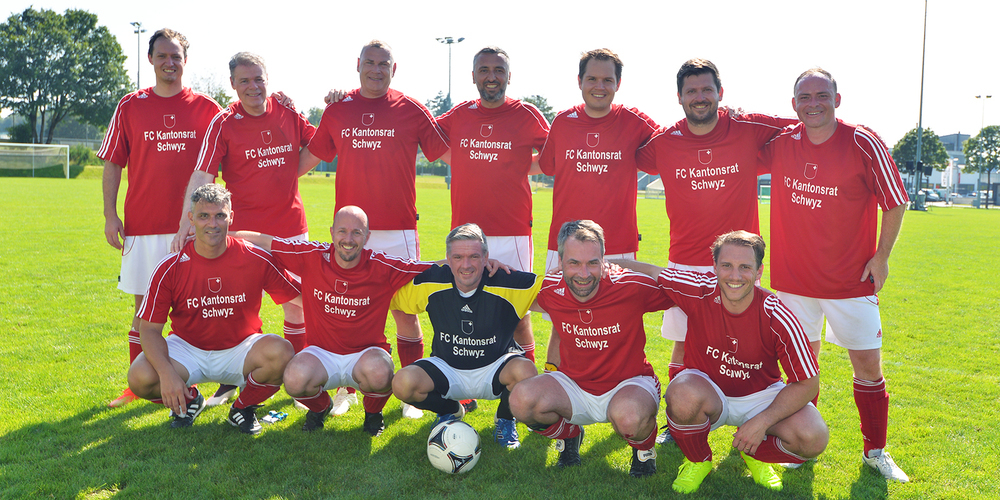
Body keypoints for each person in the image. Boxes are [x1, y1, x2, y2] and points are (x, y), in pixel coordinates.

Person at [760, 67, 909, 483]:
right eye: (804, 97)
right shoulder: (782, 143)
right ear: (794, 106)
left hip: (850, 281)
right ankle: (800, 445)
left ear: (836, 100)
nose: (813, 104)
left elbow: (896, 202)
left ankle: (875, 452)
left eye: (821, 96)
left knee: (867, 367)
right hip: (793, 282)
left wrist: (881, 258)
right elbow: (741, 137)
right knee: (803, 371)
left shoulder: (862, 141)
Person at [635, 58, 793, 443]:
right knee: (683, 342)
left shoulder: (746, 126)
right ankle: (680, 421)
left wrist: (743, 113)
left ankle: (751, 414)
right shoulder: (665, 141)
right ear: (679, 97)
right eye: (692, 91)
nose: (700, 97)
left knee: (746, 342)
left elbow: (796, 125)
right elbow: (634, 156)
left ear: (721, 93)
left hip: (737, 264)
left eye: (707, 90)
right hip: (685, 261)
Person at [302, 40, 450, 419]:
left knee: (405, 312)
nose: (377, 69)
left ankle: (410, 393)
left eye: (384, 64)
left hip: (398, 228)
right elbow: (309, 156)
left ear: (394, 69)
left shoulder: (412, 109)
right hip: (351, 232)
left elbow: (450, 152)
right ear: (357, 65)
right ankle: (346, 391)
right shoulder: (337, 109)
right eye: (370, 63)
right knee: (349, 312)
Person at [617, 231, 827, 493]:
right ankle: (698, 461)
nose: (734, 276)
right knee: (681, 393)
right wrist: (597, 265)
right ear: (714, 267)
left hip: (760, 396)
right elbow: (650, 271)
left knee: (813, 436)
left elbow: (808, 382)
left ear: (759, 271)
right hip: (708, 391)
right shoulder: (698, 289)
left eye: (745, 267)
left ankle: (755, 453)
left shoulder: (777, 315)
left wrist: (762, 422)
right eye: (726, 265)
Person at [171, 51, 319, 408]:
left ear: (268, 79)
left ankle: (296, 383)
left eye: (259, 79)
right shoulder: (223, 123)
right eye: (245, 81)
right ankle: (229, 383)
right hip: (240, 236)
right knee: (234, 311)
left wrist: (289, 173)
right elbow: (202, 175)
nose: (253, 87)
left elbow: (321, 146)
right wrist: (184, 223)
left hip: (289, 229)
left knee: (297, 308)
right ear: (233, 85)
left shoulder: (289, 112)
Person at [231, 206, 434, 436]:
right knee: (294, 379)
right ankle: (320, 408)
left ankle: (373, 414)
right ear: (331, 232)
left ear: (367, 237)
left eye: (357, 233)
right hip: (321, 353)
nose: (348, 239)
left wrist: (472, 263)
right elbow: (267, 242)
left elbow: (430, 267)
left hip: (365, 353)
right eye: (342, 231)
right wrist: (221, 235)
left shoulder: (381, 265)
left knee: (380, 372)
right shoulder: (311, 256)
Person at [100, 28, 223, 408]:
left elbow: (238, 145)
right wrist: (110, 215)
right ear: (150, 59)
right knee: (143, 309)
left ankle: (221, 379)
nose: (169, 62)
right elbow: (113, 164)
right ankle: (139, 385)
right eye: (162, 56)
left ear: (185, 61)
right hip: (143, 224)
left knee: (203, 307)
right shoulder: (130, 105)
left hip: (196, 227)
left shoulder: (208, 108)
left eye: (176, 56)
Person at [127, 184, 301, 435]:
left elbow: (301, 298)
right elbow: (150, 329)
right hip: (188, 349)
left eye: (220, 215)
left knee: (282, 352)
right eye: (204, 216)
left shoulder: (254, 257)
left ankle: (243, 407)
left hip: (241, 348)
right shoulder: (170, 265)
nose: (213, 223)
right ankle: (190, 400)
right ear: (191, 219)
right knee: (140, 376)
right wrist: (167, 374)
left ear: (232, 217)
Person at [509, 220, 672, 478]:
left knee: (629, 417)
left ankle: (644, 452)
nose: (584, 274)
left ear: (604, 261)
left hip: (628, 383)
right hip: (573, 386)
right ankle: (570, 434)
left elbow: (680, 288)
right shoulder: (551, 288)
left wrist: (629, 264)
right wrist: (486, 266)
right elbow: (499, 284)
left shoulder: (629, 286)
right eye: (574, 263)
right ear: (560, 262)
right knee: (520, 400)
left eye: (593, 263)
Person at [537, 48, 659, 380]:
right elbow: (546, 165)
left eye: (607, 79)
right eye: (592, 78)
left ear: (618, 83)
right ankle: (556, 387)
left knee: (621, 321)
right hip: (564, 244)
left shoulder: (635, 121)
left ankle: (624, 390)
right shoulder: (563, 121)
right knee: (561, 323)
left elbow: (672, 146)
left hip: (617, 244)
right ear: (579, 81)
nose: (599, 86)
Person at [436, 45, 549, 367]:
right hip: (467, 234)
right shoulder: (459, 114)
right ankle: (469, 387)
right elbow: (421, 133)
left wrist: (514, 166)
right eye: (484, 70)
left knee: (518, 314)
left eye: (499, 70)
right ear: (473, 76)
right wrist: (465, 162)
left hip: (511, 229)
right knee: (467, 309)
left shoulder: (526, 114)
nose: (491, 77)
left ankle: (523, 387)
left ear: (509, 77)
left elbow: (554, 157)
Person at [390, 224, 541, 449]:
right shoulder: (432, 282)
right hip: (447, 369)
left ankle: (506, 419)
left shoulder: (507, 281)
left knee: (526, 371)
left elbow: (556, 292)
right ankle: (450, 410)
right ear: (448, 259)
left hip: (495, 368)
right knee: (402, 383)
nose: (466, 265)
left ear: (486, 257)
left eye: (474, 256)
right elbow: (385, 292)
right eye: (458, 257)